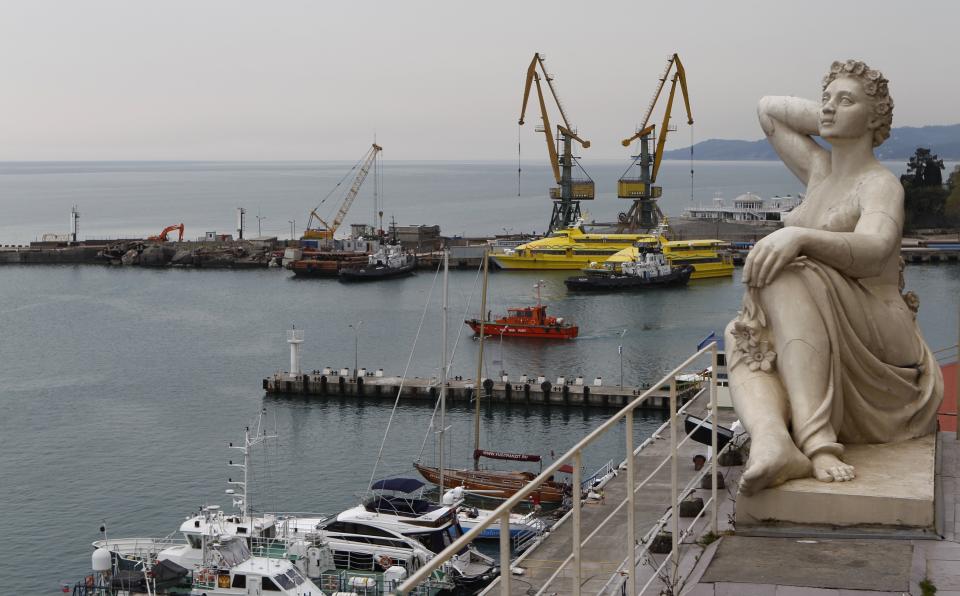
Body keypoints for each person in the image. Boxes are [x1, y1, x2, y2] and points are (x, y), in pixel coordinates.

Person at [726, 59, 942, 496]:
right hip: (827, 318)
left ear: (875, 116)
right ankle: (773, 440)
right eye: (825, 100)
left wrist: (799, 236)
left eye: (845, 102)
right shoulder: (820, 173)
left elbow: (875, 251)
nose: (827, 108)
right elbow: (769, 110)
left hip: (881, 328)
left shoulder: (879, 185)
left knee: (788, 276)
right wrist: (835, 112)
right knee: (741, 332)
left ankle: (818, 443)